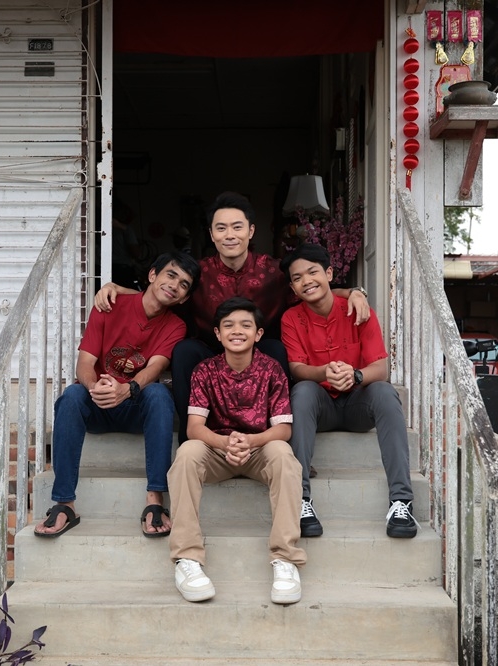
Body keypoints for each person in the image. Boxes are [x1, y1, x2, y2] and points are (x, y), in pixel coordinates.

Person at [96, 191, 371, 441]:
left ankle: (275, 438)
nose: (230, 235)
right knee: (184, 350)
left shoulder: (274, 271)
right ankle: (191, 440)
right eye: (221, 228)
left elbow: (311, 288)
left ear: (251, 231)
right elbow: (162, 293)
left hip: (258, 351)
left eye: (237, 227)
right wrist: (118, 289)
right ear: (211, 234)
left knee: (277, 348)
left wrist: (353, 292)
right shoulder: (199, 273)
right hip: (210, 350)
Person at [34, 251, 200, 539]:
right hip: (98, 402)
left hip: (134, 406)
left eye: (184, 284)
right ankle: (64, 504)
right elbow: (85, 363)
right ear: (152, 275)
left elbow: (155, 367)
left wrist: (128, 389)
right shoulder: (109, 306)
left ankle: (155, 500)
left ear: (184, 298)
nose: (174, 285)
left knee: (159, 394)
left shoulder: (176, 326)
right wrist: (95, 388)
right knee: (71, 395)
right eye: (170, 275)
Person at [167, 296, 305, 604]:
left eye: (246, 325)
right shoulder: (204, 371)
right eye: (228, 325)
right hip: (218, 452)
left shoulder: (272, 370)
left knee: (283, 454)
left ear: (258, 334)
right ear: (217, 334)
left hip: (259, 451)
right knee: (187, 453)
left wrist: (251, 442)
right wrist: (224, 443)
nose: (237, 331)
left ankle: (285, 558)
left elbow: (284, 429)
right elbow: (194, 427)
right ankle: (187, 558)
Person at [279, 243, 418, 540]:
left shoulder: (359, 310)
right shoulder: (291, 318)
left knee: (384, 392)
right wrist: (324, 373)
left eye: (313, 272)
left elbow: (380, 368)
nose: (307, 281)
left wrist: (355, 376)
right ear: (292, 287)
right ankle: (300, 500)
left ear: (329, 274)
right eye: (297, 278)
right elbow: (296, 368)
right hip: (321, 408)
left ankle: (401, 502)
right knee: (302, 391)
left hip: (357, 405)